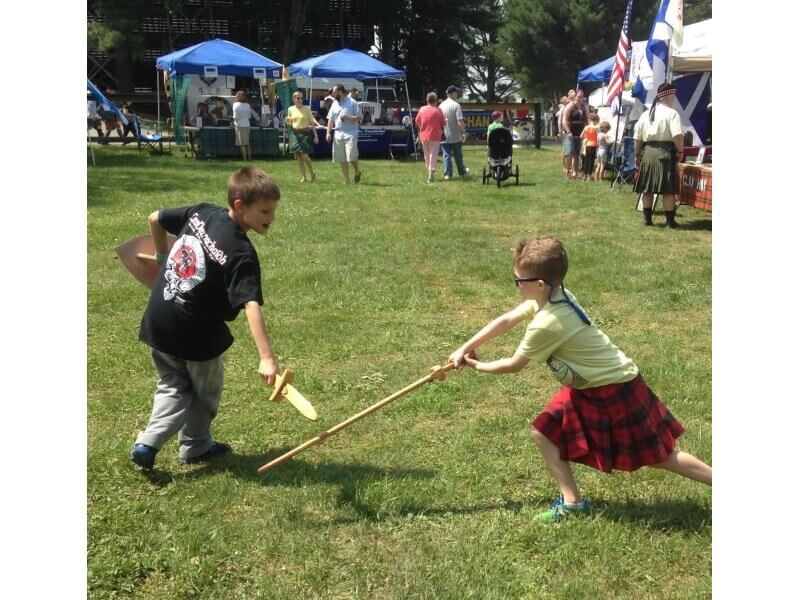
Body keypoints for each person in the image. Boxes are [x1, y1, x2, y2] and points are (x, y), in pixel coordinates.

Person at [448, 236, 711, 523]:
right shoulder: (553, 295)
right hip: (587, 388)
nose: (516, 284)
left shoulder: (548, 323)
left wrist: (476, 365)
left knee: (662, 456)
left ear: (539, 284)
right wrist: (463, 348)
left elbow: (514, 365)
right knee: (544, 432)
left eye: (518, 280)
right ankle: (573, 502)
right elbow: (507, 319)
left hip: (616, 388)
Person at [130, 167, 282, 470]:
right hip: (195, 335)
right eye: (264, 211)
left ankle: (148, 441)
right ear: (240, 206)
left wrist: (162, 255)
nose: (271, 217)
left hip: (159, 319)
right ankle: (196, 447)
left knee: (172, 384)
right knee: (204, 391)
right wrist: (267, 358)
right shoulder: (241, 253)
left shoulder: (202, 213)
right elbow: (250, 304)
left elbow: (154, 218)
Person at [633, 82, 685, 228]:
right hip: (665, 153)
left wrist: (637, 155)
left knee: (647, 188)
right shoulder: (672, 113)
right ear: (668, 96)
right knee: (668, 190)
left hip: (648, 153)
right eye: (673, 96)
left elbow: (637, 138)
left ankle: (647, 220)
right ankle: (669, 222)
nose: (674, 99)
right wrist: (680, 151)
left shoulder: (645, 114)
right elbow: (678, 137)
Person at [326, 83, 363, 184]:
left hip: (351, 133)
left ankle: (357, 171)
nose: (333, 95)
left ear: (340, 92)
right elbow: (330, 120)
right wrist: (328, 133)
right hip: (338, 133)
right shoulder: (334, 103)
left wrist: (349, 118)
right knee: (341, 158)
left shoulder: (352, 102)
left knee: (351, 156)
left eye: (334, 93)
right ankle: (346, 180)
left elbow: (360, 117)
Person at [285, 90, 321, 183]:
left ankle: (312, 171)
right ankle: (303, 177)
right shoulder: (290, 109)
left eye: (301, 98)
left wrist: (316, 135)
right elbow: (289, 123)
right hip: (295, 133)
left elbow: (311, 122)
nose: (300, 99)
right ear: (294, 99)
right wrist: (287, 120)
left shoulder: (307, 108)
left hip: (305, 133)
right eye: (298, 98)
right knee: (298, 157)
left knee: (305, 156)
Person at [414, 91, 447, 183]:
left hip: (424, 135)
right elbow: (443, 123)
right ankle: (431, 173)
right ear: (435, 100)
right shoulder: (438, 110)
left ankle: (429, 170)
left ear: (427, 100)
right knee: (433, 154)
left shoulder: (422, 109)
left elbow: (417, 122)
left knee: (427, 155)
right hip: (435, 135)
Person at [440, 85, 469, 180]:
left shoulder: (441, 105)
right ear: (452, 93)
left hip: (444, 135)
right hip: (455, 135)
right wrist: (464, 132)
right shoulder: (456, 105)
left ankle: (447, 174)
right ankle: (462, 172)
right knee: (458, 155)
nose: (457, 94)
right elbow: (460, 121)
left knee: (446, 155)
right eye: (456, 92)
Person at [561, 89, 588, 180]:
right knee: (569, 153)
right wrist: (568, 131)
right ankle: (568, 171)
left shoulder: (584, 106)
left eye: (582, 96)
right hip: (570, 133)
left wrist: (588, 130)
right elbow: (564, 120)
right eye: (579, 96)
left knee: (576, 154)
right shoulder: (570, 106)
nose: (580, 98)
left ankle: (575, 172)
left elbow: (587, 120)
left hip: (580, 133)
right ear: (575, 96)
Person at [232, 91, 258, 161]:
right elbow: (249, 116)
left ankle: (245, 159)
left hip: (239, 125)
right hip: (247, 124)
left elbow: (235, 117)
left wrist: (231, 118)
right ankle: (249, 158)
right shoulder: (248, 105)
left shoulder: (235, 104)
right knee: (247, 143)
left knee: (242, 144)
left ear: (237, 97)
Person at [580, 113, 600, 181]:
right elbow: (598, 136)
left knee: (586, 160)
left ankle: (584, 176)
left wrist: (587, 137)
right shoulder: (596, 128)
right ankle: (589, 176)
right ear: (596, 120)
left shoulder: (586, 127)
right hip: (593, 145)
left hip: (587, 145)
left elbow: (581, 136)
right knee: (591, 161)